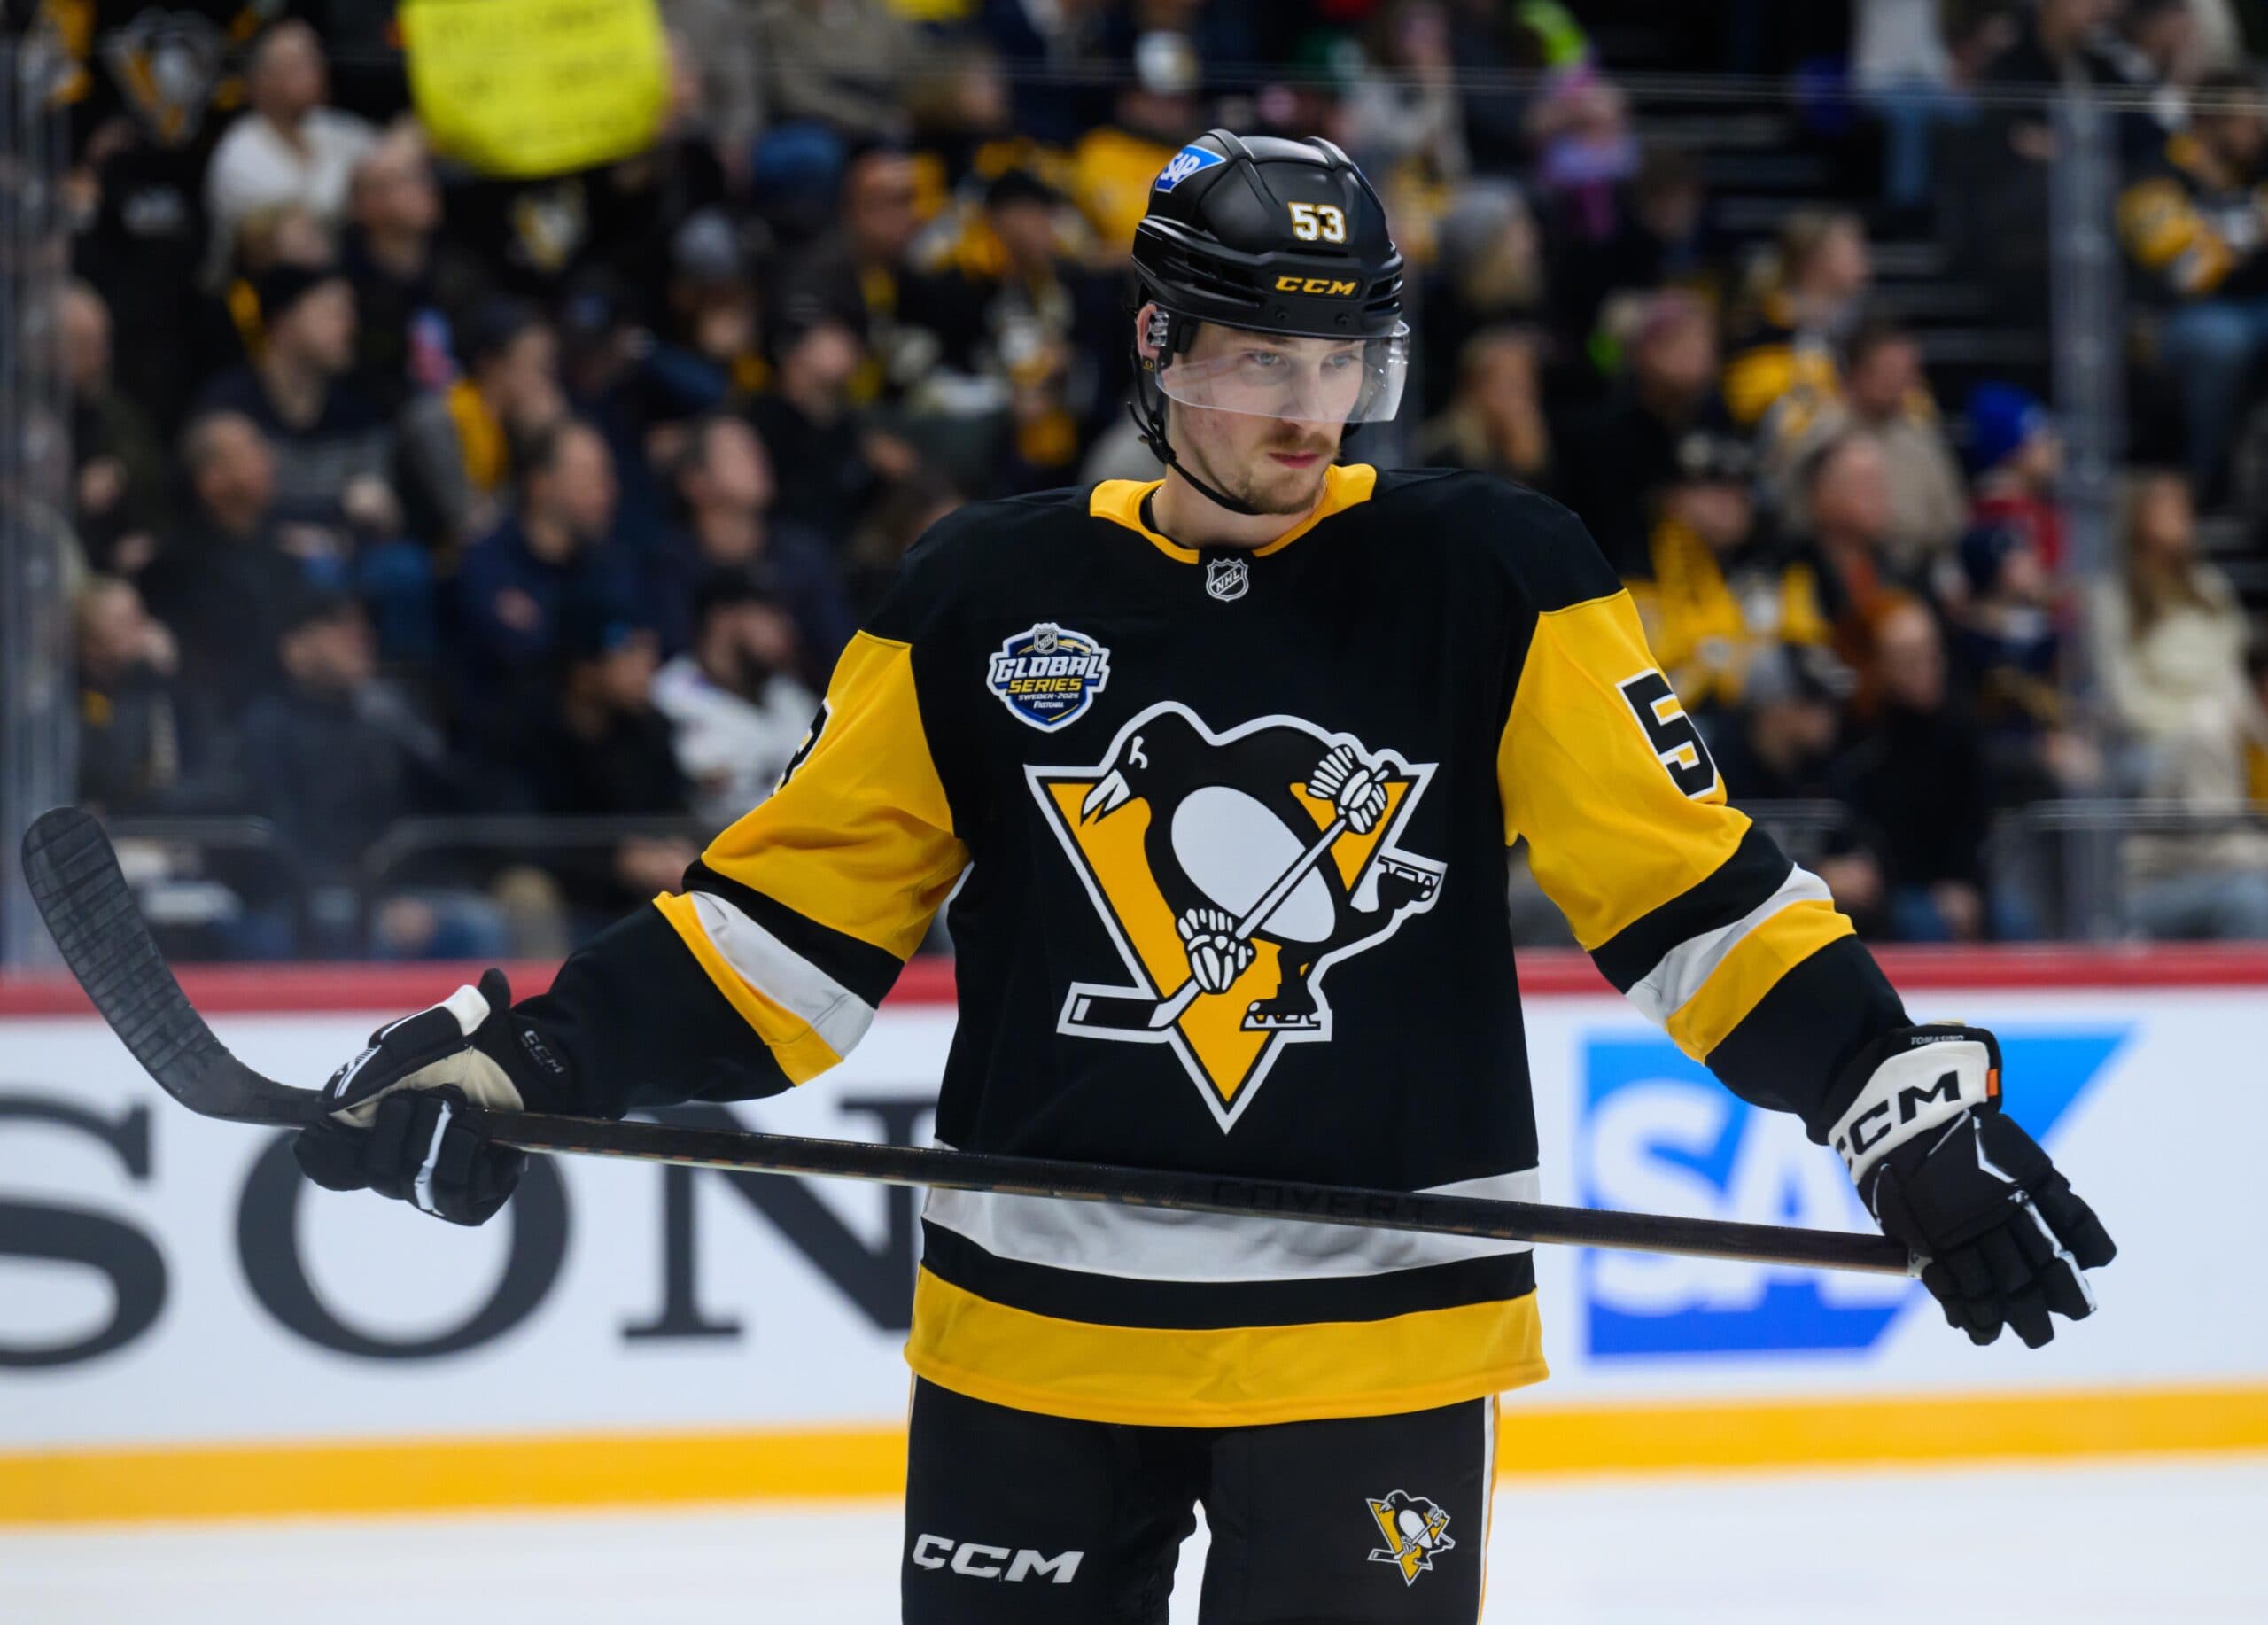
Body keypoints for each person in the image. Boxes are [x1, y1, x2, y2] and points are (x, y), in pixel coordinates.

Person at [291, 132, 2113, 1624]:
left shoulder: (1495, 572)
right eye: (1260, 363)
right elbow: (790, 925)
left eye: (1344, 366)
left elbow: (1681, 889)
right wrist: (535, 1061)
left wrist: (1881, 1093)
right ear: (1154, 347)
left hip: (1368, 1331)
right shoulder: (979, 591)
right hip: (1034, 1332)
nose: (1309, 414)